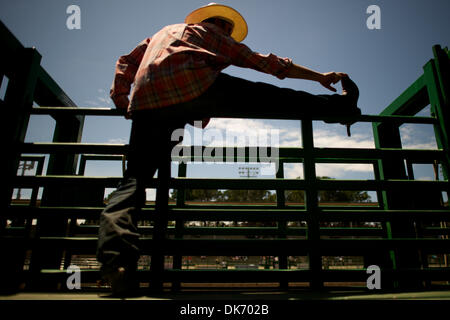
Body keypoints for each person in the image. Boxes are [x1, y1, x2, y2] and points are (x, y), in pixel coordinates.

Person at [96, 3, 361, 296]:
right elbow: (267, 63)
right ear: (222, 25)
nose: (229, 34)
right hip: (196, 89)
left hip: (147, 103)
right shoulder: (214, 34)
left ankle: (117, 262)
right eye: (229, 29)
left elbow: (126, 61)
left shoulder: (161, 33)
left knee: (133, 182)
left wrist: (123, 100)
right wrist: (320, 77)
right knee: (270, 96)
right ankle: (340, 107)